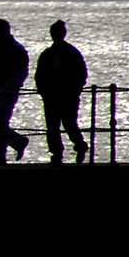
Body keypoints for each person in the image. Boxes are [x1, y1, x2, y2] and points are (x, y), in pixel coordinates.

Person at [33, 19, 89, 164]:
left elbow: (81, 75)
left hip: (67, 95)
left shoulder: (70, 53)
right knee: (53, 126)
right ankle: (57, 153)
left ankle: (78, 145)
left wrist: (74, 90)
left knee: (67, 123)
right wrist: (43, 91)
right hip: (51, 95)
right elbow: (40, 76)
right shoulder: (49, 54)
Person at [0, 19, 29, 163]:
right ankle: (18, 141)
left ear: (5, 31)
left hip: (8, 90)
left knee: (1, 122)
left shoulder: (17, 50)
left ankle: (0, 156)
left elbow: (21, 71)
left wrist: (10, 85)